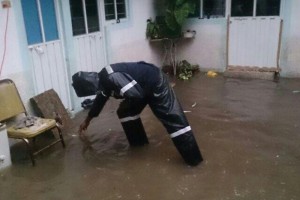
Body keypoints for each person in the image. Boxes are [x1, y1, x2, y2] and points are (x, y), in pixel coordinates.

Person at [73, 61, 203, 166]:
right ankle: (139, 145)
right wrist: (87, 121)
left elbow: (136, 95)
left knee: (174, 120)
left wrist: (122, 94)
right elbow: (98, 104)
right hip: (140, 90)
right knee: (125, 111)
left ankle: (194, 161)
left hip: (155, 82)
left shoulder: (111, 76)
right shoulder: (103, 83)